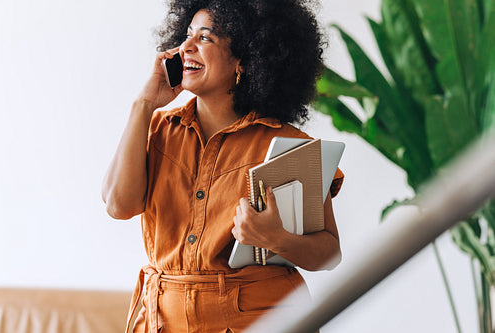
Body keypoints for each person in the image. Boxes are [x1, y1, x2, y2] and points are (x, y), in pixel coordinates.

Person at [102, 0, 344, 332]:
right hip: (161, 319)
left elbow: (329, 252)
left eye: (205, 38)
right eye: (187, 35)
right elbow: (118, 205)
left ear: (243, 61)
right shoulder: (158, 128)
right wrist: (143, 104)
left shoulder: (286, 145)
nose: (185, 47)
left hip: (259, 319)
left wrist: (276, 238)